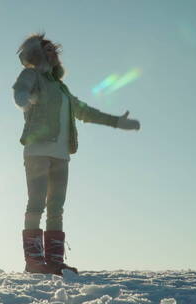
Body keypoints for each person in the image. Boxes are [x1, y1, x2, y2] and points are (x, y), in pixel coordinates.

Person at [12, 33, 140, 275]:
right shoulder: (32, 76)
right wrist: (26, 99)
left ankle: (54, 262)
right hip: (37, 150)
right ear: (36, 52)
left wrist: (116, 122)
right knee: (36, 204)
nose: (52, 52)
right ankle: (34, 261)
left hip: (62, 155)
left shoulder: (62, 89)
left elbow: (84, 111)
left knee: (56, 208)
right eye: (46, 48)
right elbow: (20, 92)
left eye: (54, 49)